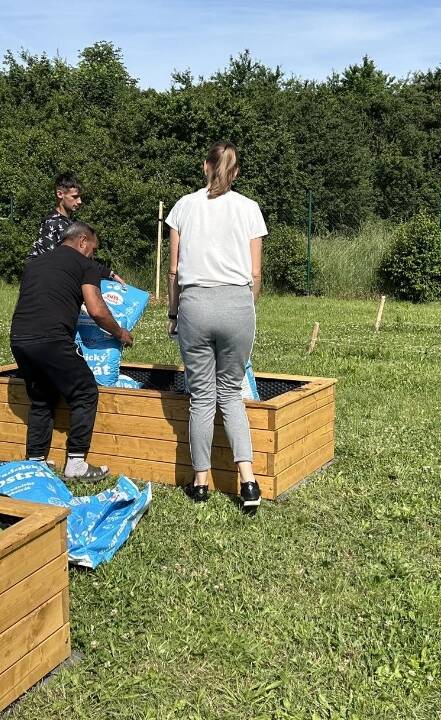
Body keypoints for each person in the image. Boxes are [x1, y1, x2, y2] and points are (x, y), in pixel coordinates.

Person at [166, 141, 267, 513]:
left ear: (204, 165)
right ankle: (248, 480)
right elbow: (256, 273)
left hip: (194, 303)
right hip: (237, 304)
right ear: (235, 171)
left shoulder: (183, 207)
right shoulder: (249, 209)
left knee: (202, 398)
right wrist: (244, 307)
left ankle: (201, 482)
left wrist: (174, 314)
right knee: (231, 395)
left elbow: (174, 270)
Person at [10, 221, 134, 480]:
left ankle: (35, 462)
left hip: (20, 338)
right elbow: (98, 311)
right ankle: (76, 463)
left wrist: (108, 274)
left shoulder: (36, 263)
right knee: (85, 391)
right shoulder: (83, 264)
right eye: (93, 249)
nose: (93, 255)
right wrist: (121, 333)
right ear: (82, 242)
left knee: (42, 398)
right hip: (52, 339)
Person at [29, 172, 84, 259]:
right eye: (75, 197)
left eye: (80, 197)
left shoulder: (71, 223)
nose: (79, 201)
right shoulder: (51, 224)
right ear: (60, 194)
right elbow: (49, 263)